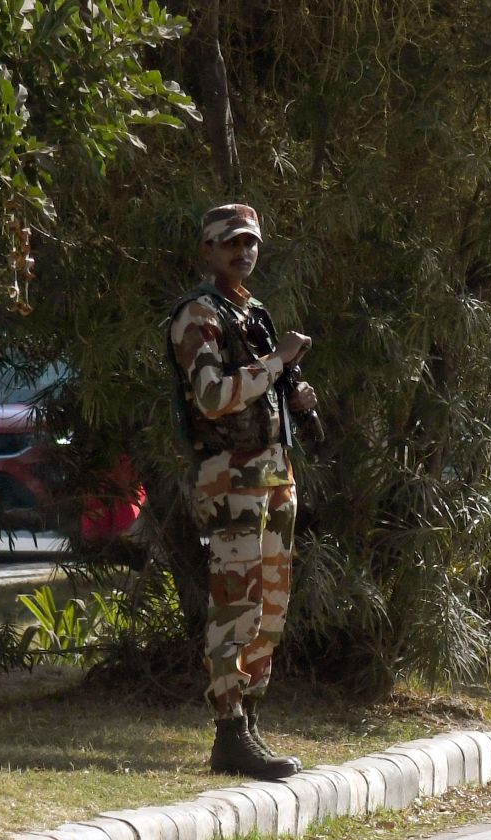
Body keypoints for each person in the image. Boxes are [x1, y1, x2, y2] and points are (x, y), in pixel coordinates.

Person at [166, 203, 320, 780]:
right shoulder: (198, 315)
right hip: (230, 478)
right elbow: (211, 397)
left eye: (250, 242)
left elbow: (262, 388)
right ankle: (229, 732)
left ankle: (249, 724)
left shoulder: (252, 311)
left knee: (271, 607)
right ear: (208, 250)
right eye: (230, 243)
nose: (242, 252)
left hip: (274, 475)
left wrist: (293, 391)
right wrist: (277, 363)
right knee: (237, 603)